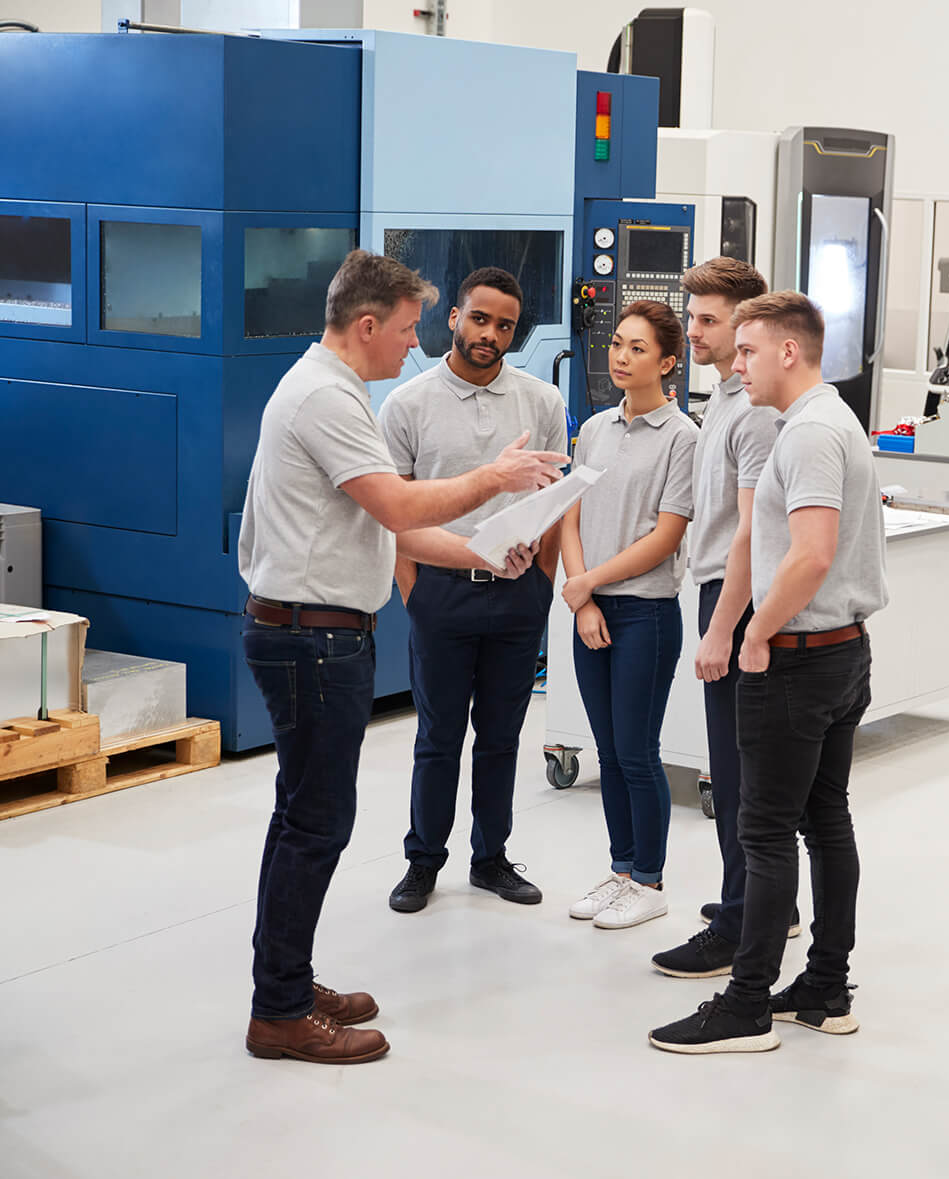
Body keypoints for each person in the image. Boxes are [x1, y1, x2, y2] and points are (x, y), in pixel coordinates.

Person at [238, 249, 564, 1065]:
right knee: (314, 826)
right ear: (368, 324)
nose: (417, 344)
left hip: (317, 632)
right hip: (311, 637)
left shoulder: (332, 391)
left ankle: (285, 976)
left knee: (302, 820)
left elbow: (389, 526)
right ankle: (278, 1008)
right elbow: (397, 501)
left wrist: (481, 558)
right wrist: (494, 479)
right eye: (413, 327)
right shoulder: (327, 398)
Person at [650, 291, 888, 1054]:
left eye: (747, 350)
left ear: (789, 351)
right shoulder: (821, 420)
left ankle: (746, 1002)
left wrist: (754, 630)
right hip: (839, 653)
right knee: (824, 821)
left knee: (763, 832)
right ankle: (823, 985)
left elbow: (811, 553)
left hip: (801, 660)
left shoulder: (810, 433)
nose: (734, 362)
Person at [378, 267, 568, 915]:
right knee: (437, 737)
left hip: (517, 599)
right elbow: (392, 514)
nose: (489, 333)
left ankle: (489, 859)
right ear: (454, 317)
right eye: (479, 318)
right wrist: (415, 596)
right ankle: (422, 860)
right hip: (440, 595)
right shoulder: (407, 405)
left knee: (501, 737)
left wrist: (541, 582)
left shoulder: (541, 402)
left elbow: (554, 500)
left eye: (505, 325)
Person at [647, 257, 800, 979]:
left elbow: (750, 533)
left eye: (709, 320)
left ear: (748, 324)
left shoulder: (756, 414)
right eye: (694, 317)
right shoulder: (724, 401)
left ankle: (742, 924)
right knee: (740, 770)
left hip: (734, 600)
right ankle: (765, 904)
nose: (695, 330)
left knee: (740, 777)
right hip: (720, 590)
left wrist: (719, 629)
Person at [560, 300, 699, 931]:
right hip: (590, 610)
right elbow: (570, 514)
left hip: (645, 613)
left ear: (668, 363)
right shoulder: (593, 430)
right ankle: (621, 873)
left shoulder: (683, 438)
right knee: (607, 753)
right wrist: (582, 597)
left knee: (638, 751)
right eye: (618, 343)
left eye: (638, 348)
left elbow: (667, 535)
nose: (621, 356)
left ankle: (650, 880)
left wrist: (589, 581)